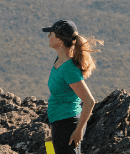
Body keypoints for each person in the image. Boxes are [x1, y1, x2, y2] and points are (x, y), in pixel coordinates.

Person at [43, 20, 101, 154]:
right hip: (58, 122)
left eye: (51, 34)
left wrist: (79, 130)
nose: (48, 37)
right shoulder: (58, 61)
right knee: (50, 151)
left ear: (60, 40)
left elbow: (89, 101)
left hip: (68, 125)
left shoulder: (69, 70)